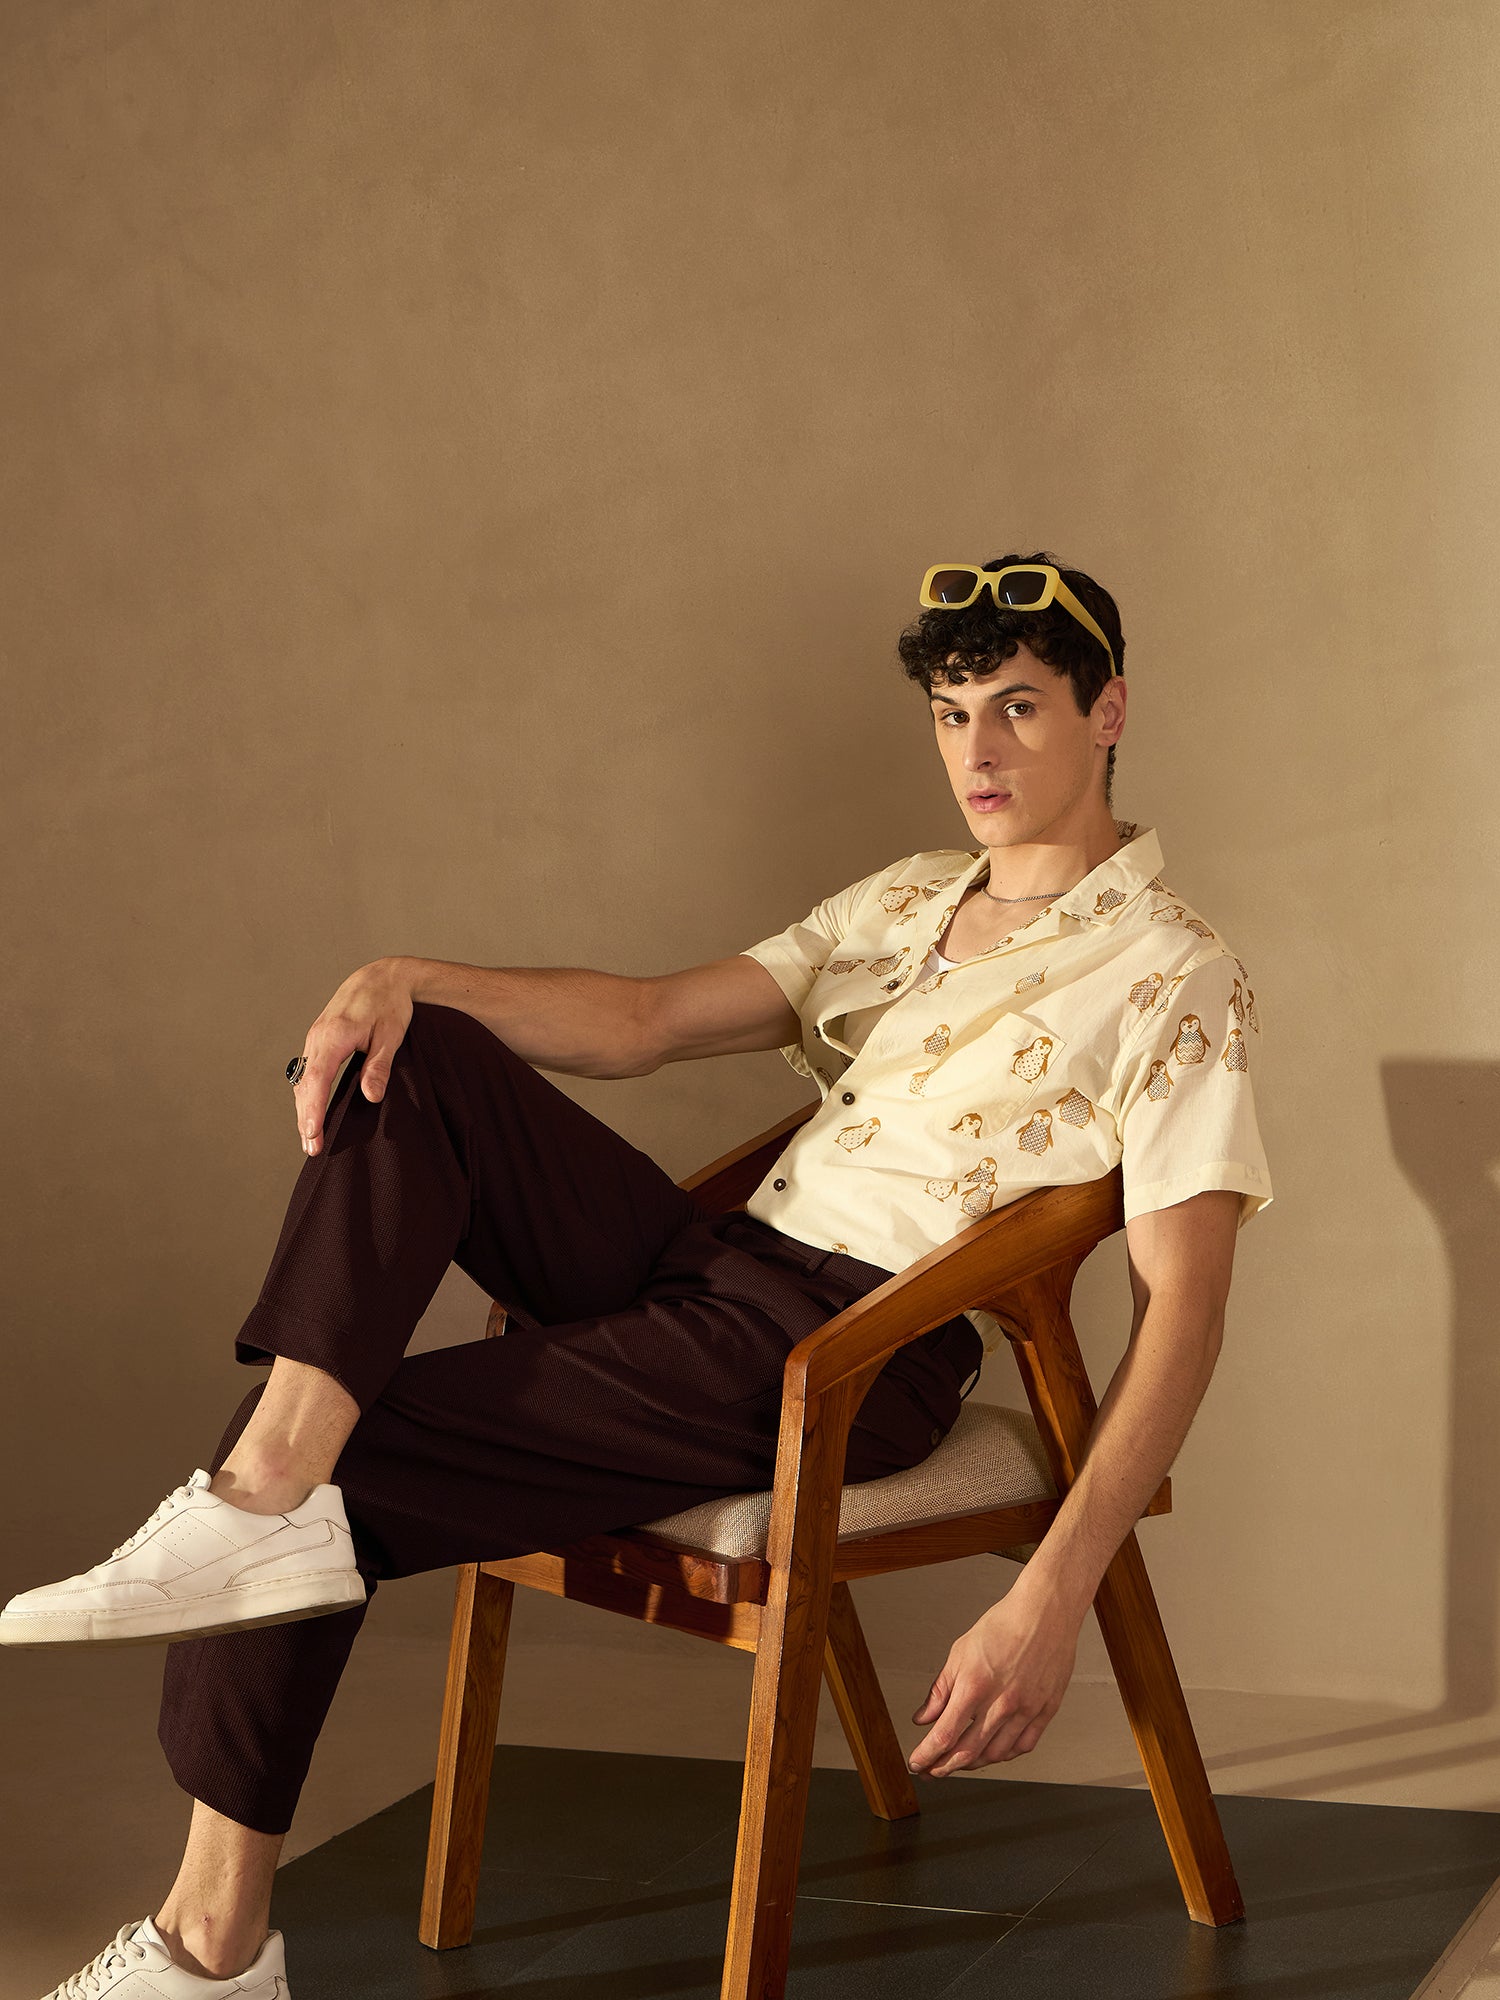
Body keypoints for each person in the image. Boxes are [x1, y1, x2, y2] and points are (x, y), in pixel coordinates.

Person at [3, 550, 1272, 1999]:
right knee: (428, 1056)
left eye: (1019, 709)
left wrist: (1051, 1597)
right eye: (950, 712)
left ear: (1108, 713)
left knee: (318, 1475)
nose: (974, 752)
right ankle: (268, 1490)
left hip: (856, 1349)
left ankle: (209, 1947)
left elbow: (1186, 1311)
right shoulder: (912, 899)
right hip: (718, 1271)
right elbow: (650, 1020)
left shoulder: (1176, 971)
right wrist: (406, 976)